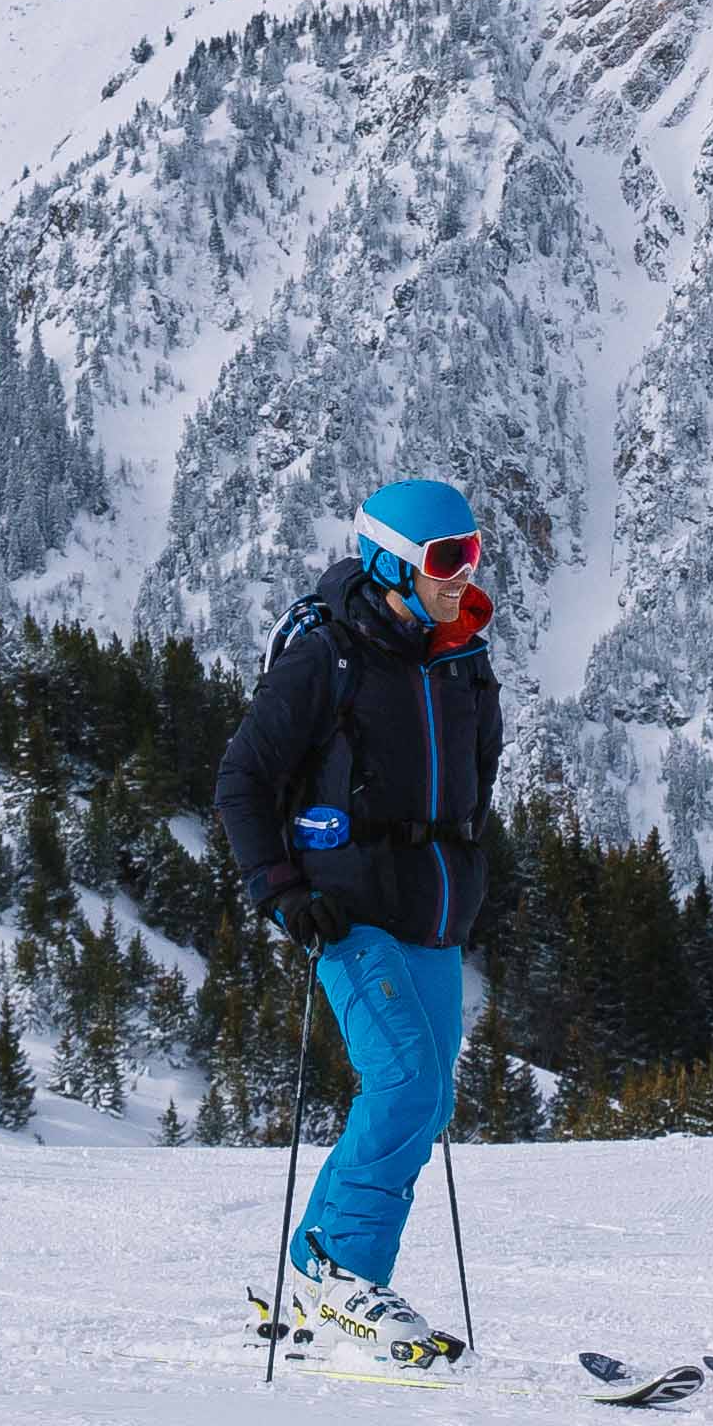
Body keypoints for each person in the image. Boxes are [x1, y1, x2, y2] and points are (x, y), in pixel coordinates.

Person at [211, 474, 505, 1365]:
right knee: (408, 1084)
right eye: (445, 558)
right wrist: (282, 890)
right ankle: (347, 1277)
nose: (464, 573)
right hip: (346, 914)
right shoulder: (328, 655)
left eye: (473, 554)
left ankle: (313, 1271)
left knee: (427, 1100)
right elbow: (242, 781)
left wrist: (475, 871)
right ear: (391, 561)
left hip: (436, 913)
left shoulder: (461, 656)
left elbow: (475, 780)